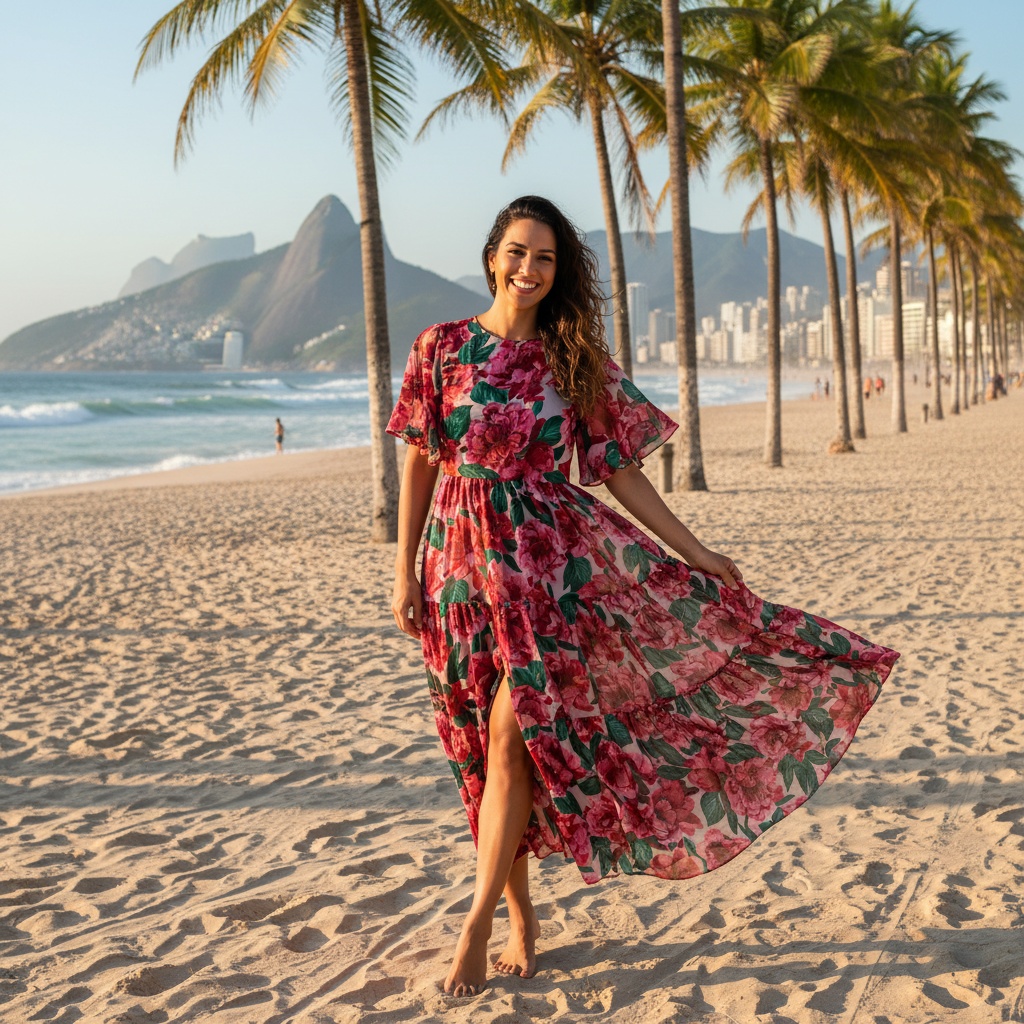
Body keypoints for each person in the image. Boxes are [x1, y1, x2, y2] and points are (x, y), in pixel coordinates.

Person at [388, 196, 899, 998]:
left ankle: (478, 920)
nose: (529, 269)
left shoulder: (571, 359)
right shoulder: (441, 347)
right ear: (493, 256)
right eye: (518, 253)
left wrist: (691, 549)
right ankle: (522, 914)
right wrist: (403, 567)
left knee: (514, 734)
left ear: (559, 275)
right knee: (481, 756)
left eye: (545, 259)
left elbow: (619, 467)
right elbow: (420, 457)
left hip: (549, 569)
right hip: (456, 567)